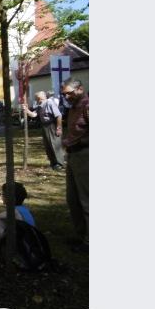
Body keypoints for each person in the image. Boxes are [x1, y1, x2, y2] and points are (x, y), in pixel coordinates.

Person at [61, 78, 89, 252]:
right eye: (64, 94)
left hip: (86, 155)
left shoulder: (88, 106)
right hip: (72, 156)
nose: (67, 96)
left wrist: (80, 143)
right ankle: (81, 234)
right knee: (73, 199)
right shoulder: (72, 108)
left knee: (87, 199)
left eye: (70, 93)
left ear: (80, 89)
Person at [22, 91, 65, 170]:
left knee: (55, 144)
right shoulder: (40, 105)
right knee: (48, 145)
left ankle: (60, 164)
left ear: (41, 97)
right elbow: (34, 115)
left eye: (37, 98)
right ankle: (53, 164)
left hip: (52, 125)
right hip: (45, 126)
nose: (36, 99)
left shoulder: (49, 103)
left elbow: (59, 115)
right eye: (36, 98)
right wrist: (26, 110)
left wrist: (59, 128)